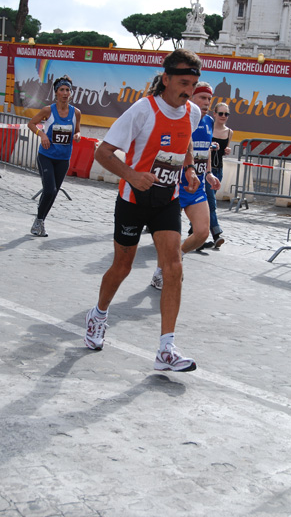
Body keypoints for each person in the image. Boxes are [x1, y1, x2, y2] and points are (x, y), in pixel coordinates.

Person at [85, 49, 202, 372]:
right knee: (122, 267)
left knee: (173, 267)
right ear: (165, 79)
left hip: (166, 199)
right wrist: (134, 176)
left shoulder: (192, 112)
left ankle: (166, 349)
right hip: (133, 200)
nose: (188, 91)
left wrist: (189, 169)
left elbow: (186, 141)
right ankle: (98, 314)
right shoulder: (143, 110)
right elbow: (103, 153)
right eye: (182, 83)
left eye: (192, 84)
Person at [151, 82, 221, 290]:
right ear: (191, 98)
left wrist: (208, 173)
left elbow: (206, 149)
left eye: (209, 99)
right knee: (169, 237)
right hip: (175, 183)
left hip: (196, 186)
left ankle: (176, 258)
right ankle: (161, 272)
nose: (207, 103)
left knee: (202, 232)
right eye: (202, 98)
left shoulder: (209, 121)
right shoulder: (181, 118)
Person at [27, 75, 81, 237]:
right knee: (49, 189)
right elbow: (31, 123)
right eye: (61, 90)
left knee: (54, 192)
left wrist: (77, 135)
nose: (65, 93)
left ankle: (40, 221)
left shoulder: (76, 112)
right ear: (56, 93)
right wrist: (42, 134)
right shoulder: (48, 110)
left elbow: (77, 130)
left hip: (63, 158)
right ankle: (38, 221)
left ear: (71, 93)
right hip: (46, 156)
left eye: (67, 90)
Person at [203, 102, 233, 249]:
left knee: (206, 202)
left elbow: (224, 151)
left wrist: (226, 150)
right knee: (210, 202)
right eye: (220, 113)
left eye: (226, 114)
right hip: (205, 169)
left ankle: (194, 232)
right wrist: (211, 146)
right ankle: (216, 234)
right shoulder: (208, 127)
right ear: (214, 114)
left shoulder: (229, 132)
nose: (223, 117)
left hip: (217, 169)